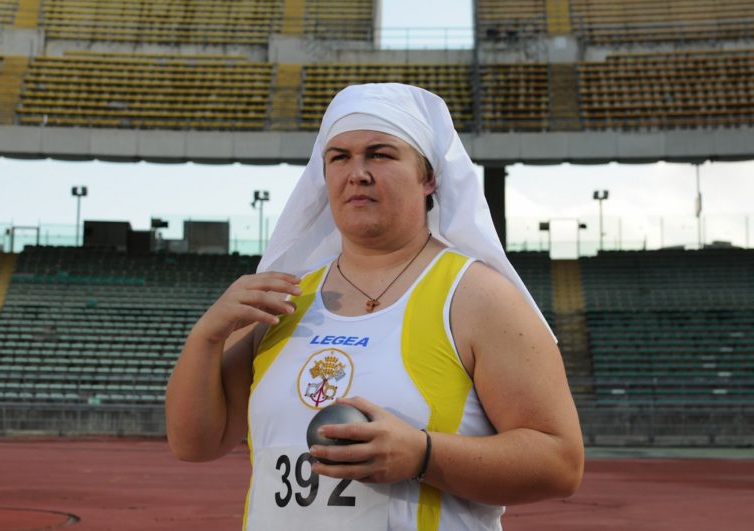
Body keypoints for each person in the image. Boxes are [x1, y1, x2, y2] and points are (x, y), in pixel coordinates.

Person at [166, 83, 584, 530]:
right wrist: (207, 336)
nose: (357, 172)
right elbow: (196, 444)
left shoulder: (478, 296)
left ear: (429, 178)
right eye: (339, 157)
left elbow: (559, 463)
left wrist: (423, 455)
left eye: (380, 154)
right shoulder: (280, 298)